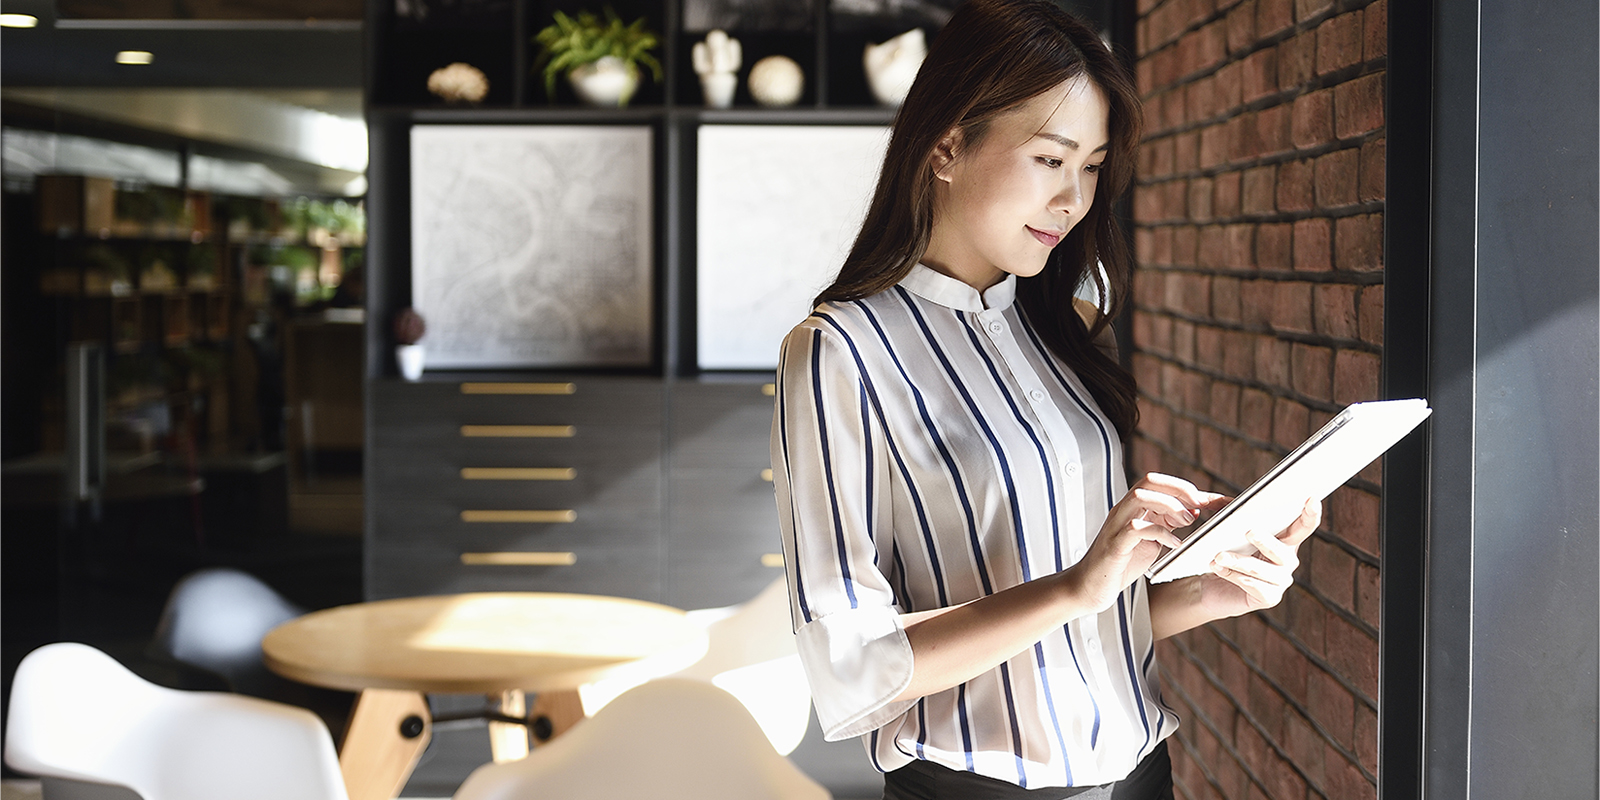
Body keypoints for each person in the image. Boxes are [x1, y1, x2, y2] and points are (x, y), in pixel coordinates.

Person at [769, 1, 1322, 798]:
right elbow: (852, 666)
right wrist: (1074, 585)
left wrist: (1208, 590)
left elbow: (1085, 620)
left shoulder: (1064, 326)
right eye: (1050, 159)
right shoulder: (839, 353)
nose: (1074, 199)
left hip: (1139, 772)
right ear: (949, 145)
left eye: (1092, 166)